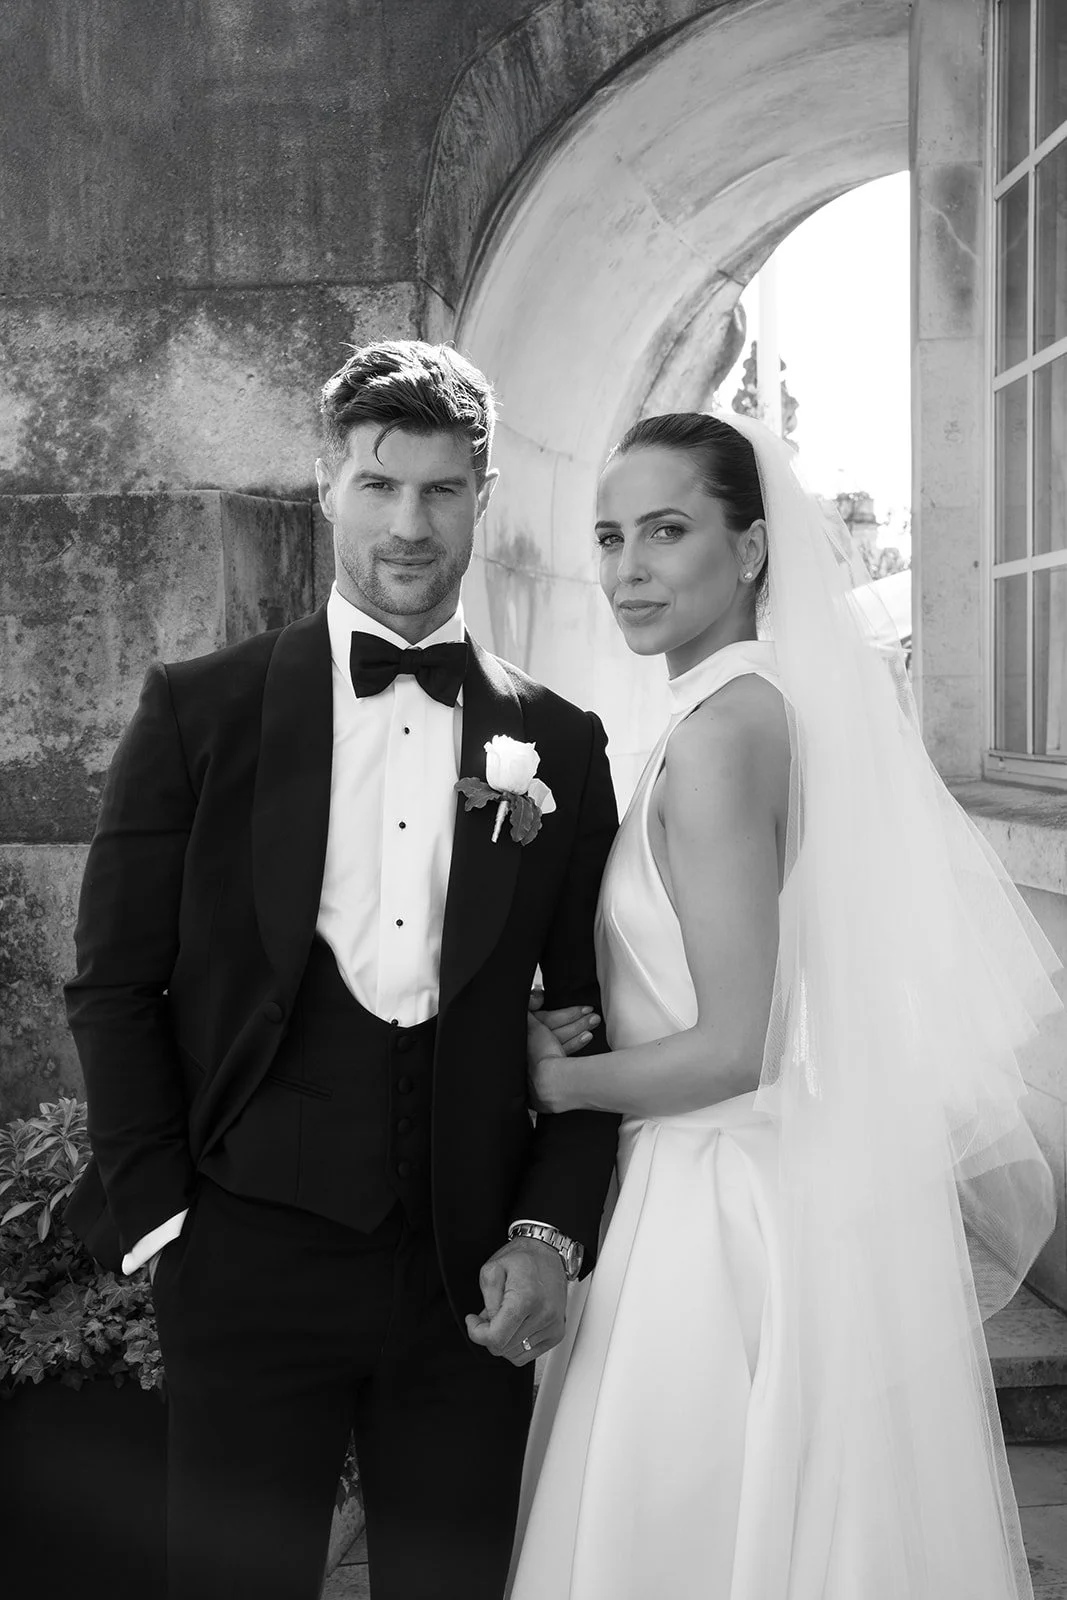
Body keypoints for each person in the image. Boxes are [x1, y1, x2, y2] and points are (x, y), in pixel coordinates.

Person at [63, 339, 621, 1600]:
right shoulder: (198, 712)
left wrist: (546, 1231)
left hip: (466, 1274)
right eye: (377, 484)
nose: (407, 523)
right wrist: (164, 1221)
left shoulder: (559, 746)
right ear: (327, 484)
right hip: (243, 1256)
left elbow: (589, 1022)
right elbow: (112, 983)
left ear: (484, 495)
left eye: (439, 489)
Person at [509, 411, 1062, 1600]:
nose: (626, 569)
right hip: (727, 1184)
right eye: (608, 537)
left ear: (753, 550)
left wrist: (554, 1078)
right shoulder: (734, 714)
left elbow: (737, 1044)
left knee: (683, 1535)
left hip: (710, 1209)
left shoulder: (722, 736)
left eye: (666, 531)